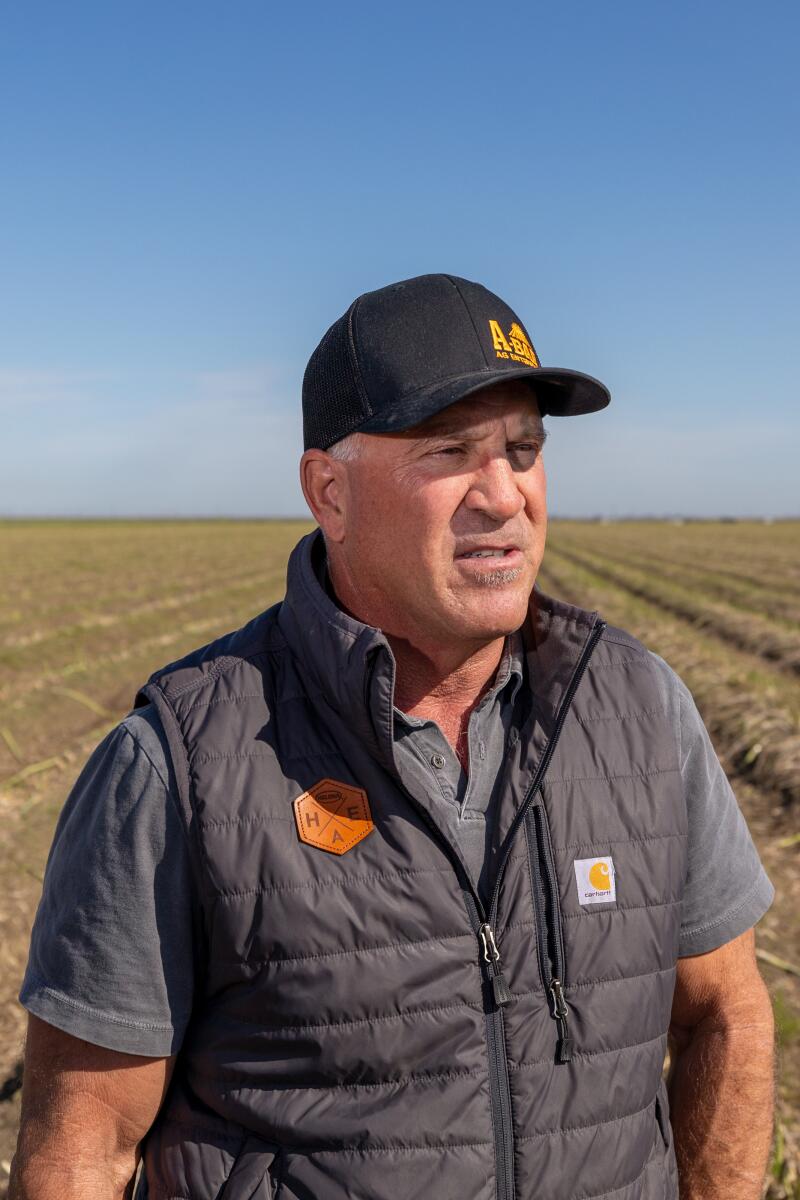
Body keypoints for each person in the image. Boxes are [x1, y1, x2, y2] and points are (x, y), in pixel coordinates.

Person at [11, 274, 775, 1200]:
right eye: (451, 450)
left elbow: (725, 1014)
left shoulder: (641, 709)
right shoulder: (178, 761)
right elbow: (81, 1153)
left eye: (523, 449)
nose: (504, 496)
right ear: (329, 492)